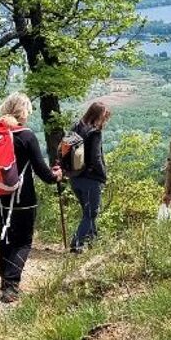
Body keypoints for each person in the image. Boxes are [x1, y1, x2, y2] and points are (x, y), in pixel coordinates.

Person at [0, 93, 61, 303]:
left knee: (5, 236)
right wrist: (57, 175)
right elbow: (44, 173)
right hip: (22, 198)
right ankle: (11, 286)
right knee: (23, 241)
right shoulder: (26, 136)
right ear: (24, 112)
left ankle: (5, 282)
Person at [68, 102, 111, 253]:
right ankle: (77, 243)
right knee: (91, 213)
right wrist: (103, 175)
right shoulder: (95, 132)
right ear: (99, 116)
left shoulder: (76, 127)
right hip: (91, 179)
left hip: (75, 177)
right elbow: (96, 157)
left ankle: (94, 241)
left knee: (88, 212)